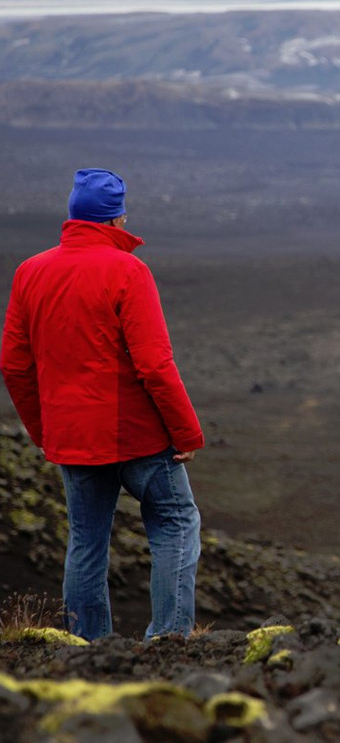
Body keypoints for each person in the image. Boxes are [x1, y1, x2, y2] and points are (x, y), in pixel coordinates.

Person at [1, 168, 204, 641]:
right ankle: (169, 642)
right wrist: (186, 433)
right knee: (176, 523)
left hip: (73, 439)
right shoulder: (128, 271)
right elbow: (154, 364)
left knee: (86, 543)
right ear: (116, 219)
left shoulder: (30, 272)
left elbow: (13, 365)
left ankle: (87, 648)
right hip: (140, 437)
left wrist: (45, 430)